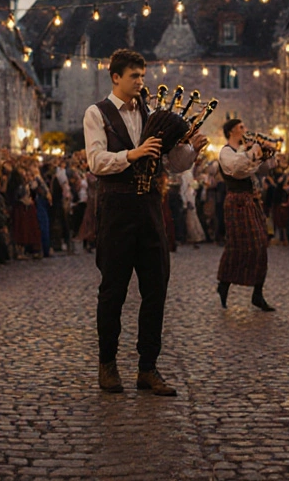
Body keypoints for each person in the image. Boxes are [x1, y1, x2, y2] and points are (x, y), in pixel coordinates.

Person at [84, 49, 205, 397]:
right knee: (113, 289)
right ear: (116, 77)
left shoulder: (153, 113)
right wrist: (131, 154)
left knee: (156, 288)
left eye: (142, 75)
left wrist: (190, 150)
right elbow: (96, 161)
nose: (141, 82)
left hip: (150, 206)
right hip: (116, 206)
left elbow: (173, 164)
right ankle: (107, 364)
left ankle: (147, 367)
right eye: (134, 76)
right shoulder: (97, 113)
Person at [216, 119, 278, 311]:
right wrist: (253, 150)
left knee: (261, 244)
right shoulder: (226, 152)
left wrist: (267, 154)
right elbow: (238, 170)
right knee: (239, 245)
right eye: (242, 127)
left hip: (251, 200)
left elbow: (263, 169)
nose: (245, 130)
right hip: (237, 201)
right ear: (232, 131)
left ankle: (257, 294)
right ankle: (224, 283)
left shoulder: (246, 149)